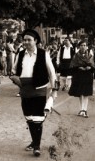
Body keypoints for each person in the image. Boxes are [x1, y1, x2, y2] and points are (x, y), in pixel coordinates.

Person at [12, 29, 57, 157]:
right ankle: (34, 141)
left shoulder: (43, 54)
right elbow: (14, 70)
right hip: (25, 89)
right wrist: (15, 78)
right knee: (29, 117)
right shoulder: (20, 54)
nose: (26, 42)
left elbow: (51, 73)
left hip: (39, 89)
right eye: (24, 40)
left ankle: (36, 146)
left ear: (35, 41)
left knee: (38, 117)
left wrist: (54, 90)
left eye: (29, 40)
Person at [68, 40, 95, 118]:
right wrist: (79, 67)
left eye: (84, 45)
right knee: (80, 93)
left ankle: (85, 110)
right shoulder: (76, 56)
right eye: (81, 45)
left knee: (86, 93)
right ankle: (81, 109)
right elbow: (72, 65)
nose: (83, 47)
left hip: (87, 75)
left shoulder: (90, 55)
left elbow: (93, 65)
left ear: (86, 47)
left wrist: (89, 67)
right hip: (79, 75)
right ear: (79, 46)